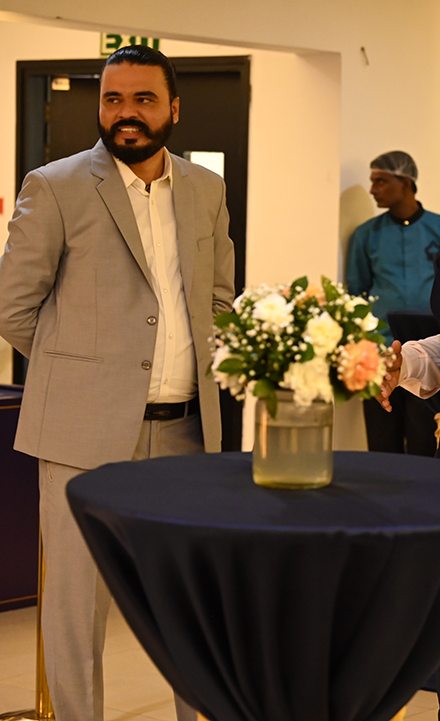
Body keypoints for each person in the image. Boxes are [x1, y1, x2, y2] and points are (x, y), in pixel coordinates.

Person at [0, 46, 234, 721]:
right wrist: (82, 372)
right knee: (76, 609)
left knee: (192, 603)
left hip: (188, 431)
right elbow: (13, 307)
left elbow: (219, 299)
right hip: (81, 435)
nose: (126, 113)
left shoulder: (206, 188)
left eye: (142, 99)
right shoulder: (56, 186)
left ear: (173, 108)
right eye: (112, 99)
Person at [345, 151, 440, 456]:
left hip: (431, 355)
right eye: (372, 182)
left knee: (425, 443)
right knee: (382, 444)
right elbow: (356, 293)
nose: (373, 190)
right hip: (380, 353)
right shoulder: (366, 235)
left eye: (381, 181)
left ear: (405, 182)